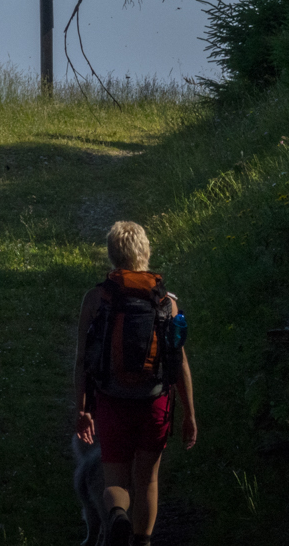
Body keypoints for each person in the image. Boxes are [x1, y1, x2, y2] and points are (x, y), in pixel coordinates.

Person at [74, 221, 197, 546]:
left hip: (111, 402)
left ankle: (117, 515)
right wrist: (189, 414)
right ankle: (142, 542)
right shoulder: (167, 302)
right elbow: (179, 362)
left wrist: (82, 409)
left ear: (113, 255)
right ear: (146, 252)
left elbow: (82, 362)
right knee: (147, 480)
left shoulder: (94, 299)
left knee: (115, 479)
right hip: (155, 403)